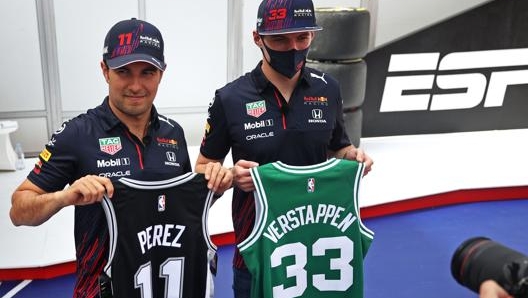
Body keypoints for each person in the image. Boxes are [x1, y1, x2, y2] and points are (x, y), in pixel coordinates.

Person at [10, 18, 232, 298]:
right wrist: (65, 197)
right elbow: (19, 210)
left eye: (148, 72)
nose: (136, 85)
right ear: (105, 71)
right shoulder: (77, 133)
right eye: (124, 71)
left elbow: (178, 208)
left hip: (165, 287)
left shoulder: (172, 133)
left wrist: (216, 185)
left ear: (162, 73)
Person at [194, 0, 374, 296]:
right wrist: (229, 175)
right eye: (280, 39)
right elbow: (203, 168)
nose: (293, 48)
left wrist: (353, 157)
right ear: (257, 38)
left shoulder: (328, 89)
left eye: (301, 37)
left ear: (313, 36)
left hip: (317, 249)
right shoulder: (230, 99)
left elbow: (339, 148)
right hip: (257, 252)